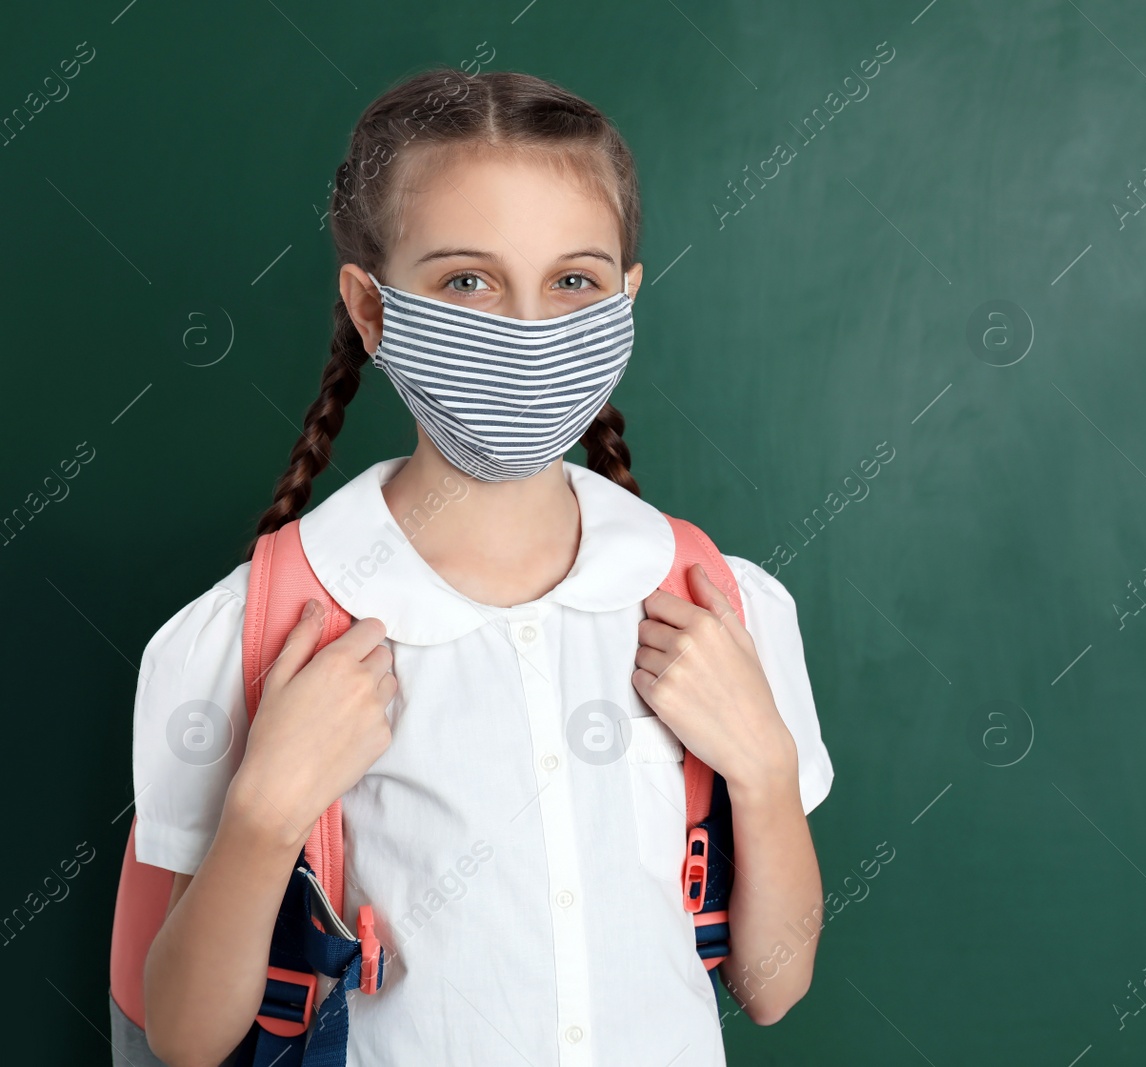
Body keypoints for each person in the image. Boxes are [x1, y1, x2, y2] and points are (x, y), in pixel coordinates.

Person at [132, 66, 833, 1066]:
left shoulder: (719, 608)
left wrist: (762, 769)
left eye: (573, 282)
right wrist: (263, 810)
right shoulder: (251, 631)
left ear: (623, 303)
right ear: (371, 311)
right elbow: (189, 1037)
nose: (526, 329)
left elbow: (774, 984)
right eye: (468, 280)